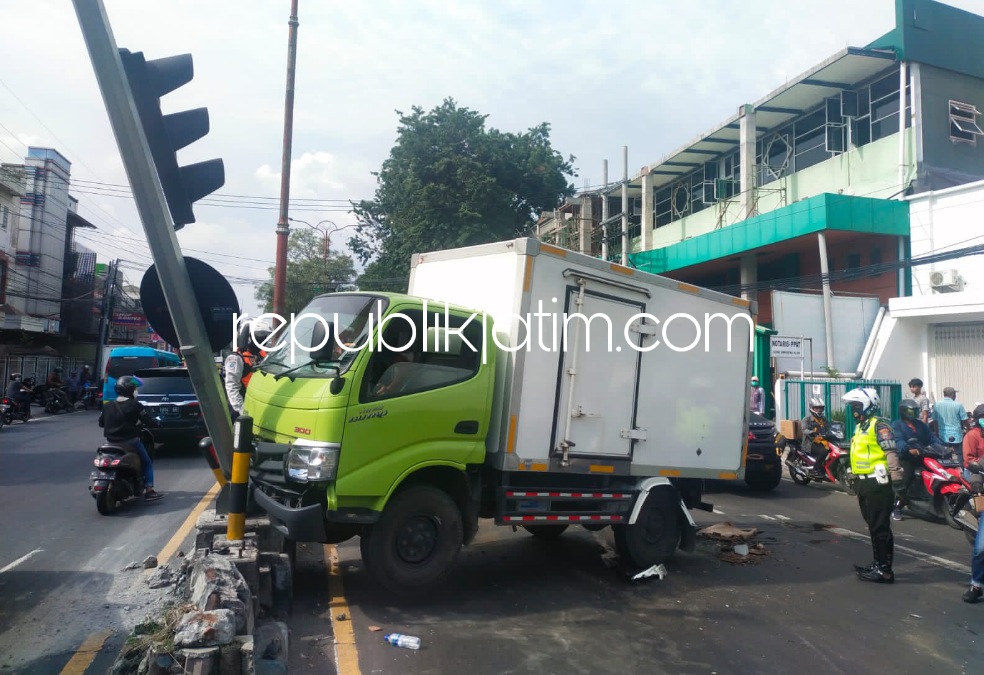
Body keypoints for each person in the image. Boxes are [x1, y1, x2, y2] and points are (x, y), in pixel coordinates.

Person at [842, 387, 903, 584]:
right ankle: (878, 564)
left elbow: (891, 452)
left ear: (868, 405)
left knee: (880, 527)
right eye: (853, 406)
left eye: (857, 406)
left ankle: (885, 571)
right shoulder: (862, 426)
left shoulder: (880, 425)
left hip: (878, 482)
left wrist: (897, 482)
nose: (854, 410)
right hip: (864, 482)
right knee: (874, 526)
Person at [98, 375, 162, 501]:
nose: (136, 390)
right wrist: (157, 423)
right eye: (134, 388)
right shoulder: (135, 405)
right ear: (129, 390)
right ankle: (149, 490)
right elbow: (147, 420)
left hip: (109, 443)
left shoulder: (108, 406)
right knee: (147, 462)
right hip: (130, 442)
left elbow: (101, 423)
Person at [890, 399, 945, 521]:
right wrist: (908, 449)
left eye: (915, 410)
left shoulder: (920, 425)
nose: (914, 413)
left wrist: (943, 446)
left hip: (924, 455)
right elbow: (898, 440)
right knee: (905, 480)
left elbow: (931, 438)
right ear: (904, 411)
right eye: (911, 410)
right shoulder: (896, 425)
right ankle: (897, 507)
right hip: (908, 458)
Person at [224, 319, 271, 420]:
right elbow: (231, 387)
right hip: (241, 408)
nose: (263, 339)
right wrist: (242, 409)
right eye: (260, 336)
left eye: (264, 336)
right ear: (248, 337)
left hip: (258, 405)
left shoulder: (262, 354)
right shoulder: (236, 358)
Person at [962, 404, 984, 603]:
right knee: (981, 547)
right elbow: (976, 467)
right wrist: (976, 485)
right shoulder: (972, 435)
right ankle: (977, 584)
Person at [932, 387, 969, 465]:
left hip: (942, 434)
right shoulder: (958, 405)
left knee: (944, 453)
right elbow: (964, 420)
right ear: (953, 395)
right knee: (959, 454)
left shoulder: (937, 405)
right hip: (956, 434)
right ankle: (961, 468)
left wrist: (936, 432)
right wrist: (969, 429)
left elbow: (935, 420)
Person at [800, 397, 830, 475]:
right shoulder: (807, 419)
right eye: (817, 408)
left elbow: (829, 427)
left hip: (823, 441)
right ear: (811, 408)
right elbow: (804, 430)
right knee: (824, 451)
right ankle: (816, 469)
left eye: (821, 408)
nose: (819, 410)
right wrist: (813, 432)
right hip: (810, 443)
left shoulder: (824, 419)